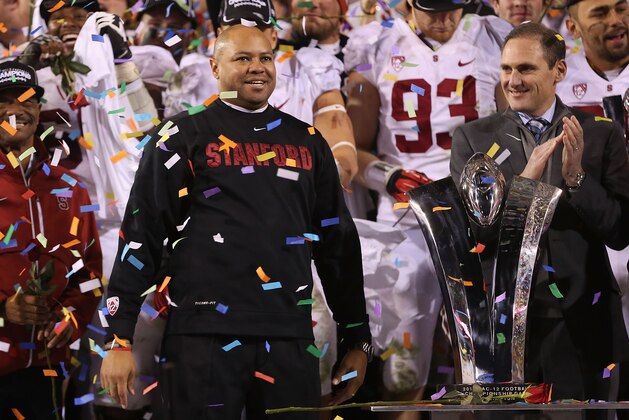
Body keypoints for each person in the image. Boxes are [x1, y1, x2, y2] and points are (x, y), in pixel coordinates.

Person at [100, 25, 372, 418]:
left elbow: (338, 247)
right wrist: (119, 336)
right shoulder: (179, 134)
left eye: (264, 58)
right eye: (242, 58)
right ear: (214, 66)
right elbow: (141, 235)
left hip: (290, 334)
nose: (256, 68)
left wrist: (356, 337)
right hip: (201, 333)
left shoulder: (308, 141)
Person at [450, 23, 629, 418]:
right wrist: (526, 183)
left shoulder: (601, 134)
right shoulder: (472, 139)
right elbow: (475, 237)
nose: (513, 81)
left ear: (559, 72)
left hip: (585, 315)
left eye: (526, 69)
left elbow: (619, 232)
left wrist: (577, 180)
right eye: (506, 69)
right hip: (503, 324)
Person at [343, 0, 511, 413]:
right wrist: (390, 176)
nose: (444, 18)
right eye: (432, 7)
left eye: (452, 7)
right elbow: (357, 148)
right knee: (404, 365)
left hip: (478, 214)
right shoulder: (374, 43)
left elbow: (514, 135)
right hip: (405, 216)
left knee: (480, 360)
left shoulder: (493, 36)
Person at [0, 60, 103, 418]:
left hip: (45, 368)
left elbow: (89, 271)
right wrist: (3, 309)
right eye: (4, 102)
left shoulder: (71, 188)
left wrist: (72, 315)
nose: (17, 110)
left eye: (27, 100)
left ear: (39, 109)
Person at [557, 0, 629, 389]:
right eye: (600, 13)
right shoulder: (554, 79)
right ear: (572, 25)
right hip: (590, 227)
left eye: (622, 8)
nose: (616, 20)